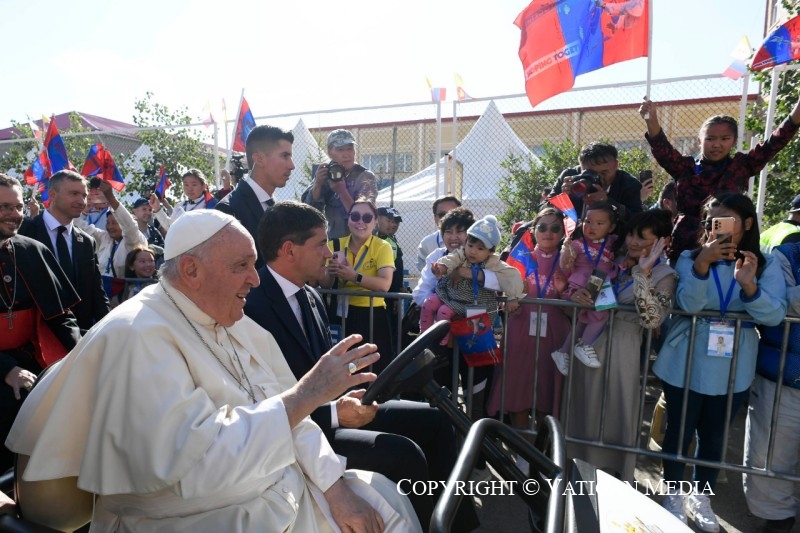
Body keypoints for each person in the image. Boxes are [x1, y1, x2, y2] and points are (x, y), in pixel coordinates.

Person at [6, 209, 421, 532]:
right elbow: (193, 466)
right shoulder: (137, 334)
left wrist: (334, 486)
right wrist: (307, 393)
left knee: (385, 500)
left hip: (269, 492)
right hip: (195, 518)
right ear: (191, 270)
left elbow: (289, 416)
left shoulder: (233, 320)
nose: (255, 280)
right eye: (242, 265)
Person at [244, 200, 478, 531]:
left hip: (331, 411)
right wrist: (335, 412)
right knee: (404, 453)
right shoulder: (251, 308)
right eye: (321, 244)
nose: (329, 254)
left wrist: (347, 398)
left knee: (435, 421)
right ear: (289, 250)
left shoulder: (310, 297)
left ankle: (459, 527)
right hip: (299, 434)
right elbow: (267, 402)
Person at [654, 193, 787, 531]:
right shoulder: (689, 257)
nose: (718, 227)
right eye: (712, 221)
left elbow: (774, 315)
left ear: (747, 223)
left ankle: (701, 496)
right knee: (679, 430)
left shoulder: (765, 263)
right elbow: (688, 305)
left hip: (733, 367)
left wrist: (750, 287)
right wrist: (701, 266)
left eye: (726, 220)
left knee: (714, 436)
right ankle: (673, 493)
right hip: (685, 360)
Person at [565, 209, 677, 483]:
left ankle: (613, 475)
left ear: (662, 242)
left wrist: (643, 273)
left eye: (643, 238)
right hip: (588, 343)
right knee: (584, 406)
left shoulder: (665, 274)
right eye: (631, 235)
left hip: (623, 348)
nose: (634, 242)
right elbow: (588, 294)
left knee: (616, 408)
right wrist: (576, 295)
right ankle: (578, 470)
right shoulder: (612, 262)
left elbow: (652, 319)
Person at [639, 97, 800, 264]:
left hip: (727, 248)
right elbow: (662, 148)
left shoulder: (741, 166)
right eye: (710, 139)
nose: (717, 144)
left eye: (724, 138)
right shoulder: (685, 167)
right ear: (700, 141)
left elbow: (774, 142)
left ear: (734, 140)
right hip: (685, 247)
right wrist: (652, 120)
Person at [0, 174, 81, 473]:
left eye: (18, 207)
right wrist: (5, 369)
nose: (14, 214)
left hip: (31, 355)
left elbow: (60, 316)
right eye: (4, 207)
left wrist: (83, 354)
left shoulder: (32, 250)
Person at [486, 208, 570, 454]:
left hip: (556, 332)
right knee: (518, 388)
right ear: (533, 231)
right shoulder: (520, 258)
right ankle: (523, 451)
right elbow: (501, 289)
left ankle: (543, 452)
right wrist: (510, 296)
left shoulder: (569, 260)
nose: (548, 232)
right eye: (542, 227)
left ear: (563, 233)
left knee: (548, 391)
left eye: (555, 228)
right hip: (521, 328)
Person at [743, 240, 800, 533]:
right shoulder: (786, 255)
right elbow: (784, 303)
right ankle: (777, 517)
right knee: (771, 453)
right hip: (782, 376)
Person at [20, 170, 110, 332]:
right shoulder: (24, 232)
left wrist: (109, 328)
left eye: (84, 195)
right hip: (35, 334)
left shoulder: (86, 242)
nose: (81, 201)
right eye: (74, 194)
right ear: (52, 195)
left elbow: (96, 291)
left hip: (79, 333)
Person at [421, 215, 524, 344]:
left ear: (490, 251)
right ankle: (423, 340)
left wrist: (513, 297)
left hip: (470, 302)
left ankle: (441, 343)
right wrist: (441, 267)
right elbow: (451, 259)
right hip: (451, 294)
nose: (473, 251)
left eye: (480, 248)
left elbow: (512, 275)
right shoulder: (461, 254)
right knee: (428, 302)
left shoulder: (493, 263)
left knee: (444, 311)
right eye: (470, 245)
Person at [322, 199, 396, 374]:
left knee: (373, 369)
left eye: (367, 217)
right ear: (348, 220)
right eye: (355, 216)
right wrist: (330, 273)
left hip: (372, 315)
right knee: (340, 369)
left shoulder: (382, 246)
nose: (360, 222)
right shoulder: (334, 245)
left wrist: (354, 277)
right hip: (340, 314)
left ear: (375, 222)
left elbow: (384, 285)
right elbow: (324, 285)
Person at [551, 201, 619, 375]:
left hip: (601, 285)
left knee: (585, 319)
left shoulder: (613, 243)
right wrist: (566, 252)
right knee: (601, 313)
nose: (592, 226)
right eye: (588, 221)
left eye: (599, 223)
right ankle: (585, 345)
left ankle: (564, 351)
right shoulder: (576, 244)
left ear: (611, 227)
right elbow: (565, 267)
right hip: (581, 285)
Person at [216, 125, 295, 267]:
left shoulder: (277, 207)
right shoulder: (229, 210)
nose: (291, 165)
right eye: (285, 156)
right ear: (259, 159)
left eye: (290, 156)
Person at [303, 129, 378, 240]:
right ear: (329, 152)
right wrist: (318, 184)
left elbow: (362, 218)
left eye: (350, 148)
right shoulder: (325, 174)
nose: (346, 154)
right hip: (335, 242)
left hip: (361, 242)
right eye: (340, 149)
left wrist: (342, 191)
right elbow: (309, 213)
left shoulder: (365, 176)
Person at [72, 179, 147, 284]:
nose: (110, 226)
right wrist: (85, 209)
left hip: (125, 291)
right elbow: (80, 226)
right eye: (108, 223)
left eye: (114, 223)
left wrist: (110, 197)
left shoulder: (133, 240)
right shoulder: (105, 238)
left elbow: (130, 225)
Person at [550, 142, 643, 222]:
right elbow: (545, 210)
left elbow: (637, 220)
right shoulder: (570, 176)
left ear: (616, 165)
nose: (598, 178)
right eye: (590, 173)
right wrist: (561, 199)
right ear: (580, 167)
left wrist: (608, 203)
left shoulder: (629, 185)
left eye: (604, 172)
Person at [152, 169, 219, 230]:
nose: (190, 189)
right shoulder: (179, 206)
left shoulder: (210, 205)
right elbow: (171, 228)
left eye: (194, 185)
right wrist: (157, 209)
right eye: (186, 185)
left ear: (203, 186)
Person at [376, 206, 406, 336]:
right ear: (377, 219)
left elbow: (397, 271)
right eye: (389, 220)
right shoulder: (374, 240)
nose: (393, 225)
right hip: (382, 295)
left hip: (391, 295)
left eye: (396, 222)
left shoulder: (391, 240)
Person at [416, 196, 462, 272]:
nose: (448, 218)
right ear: (435, 218)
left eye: (453, 214)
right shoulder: (426, 244)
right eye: (442, 214)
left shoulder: (473, 241)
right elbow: (425, 274)